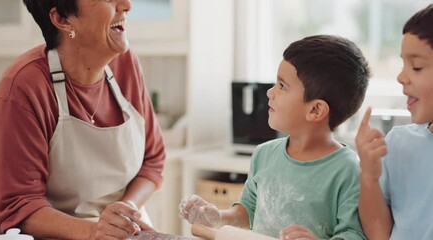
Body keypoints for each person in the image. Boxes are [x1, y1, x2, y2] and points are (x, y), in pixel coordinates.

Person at [0, 0, 166, 239]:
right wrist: (95, 231)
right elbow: (19, 206)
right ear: (62, 19)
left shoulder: (125, 64)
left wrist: (124, 212)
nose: (126, 4)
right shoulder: (22, 90)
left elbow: (153, 160)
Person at [179, 35, 370, 240]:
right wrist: (217, 216)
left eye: (282, 86)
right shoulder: (264, 154)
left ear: (315, 109)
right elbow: (247, 211)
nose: (270, 93)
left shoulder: (347, 169)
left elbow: (353, 234)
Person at [355, 4, 433, 240]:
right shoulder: (397, 144)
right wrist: (368, 176)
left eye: (417, 66)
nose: (401, 77)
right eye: (403, 64)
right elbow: (379, 233)